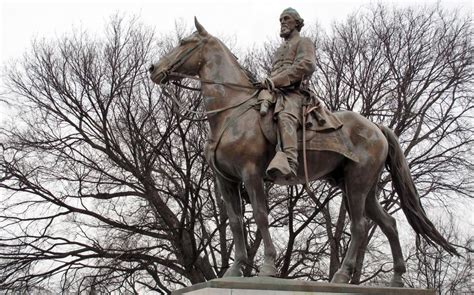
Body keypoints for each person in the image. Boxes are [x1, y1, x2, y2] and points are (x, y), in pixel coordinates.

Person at [258, 7, 316, 178]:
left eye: (286, 18)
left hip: (294, 94)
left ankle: (290, 162)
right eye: (281, 20)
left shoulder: (304, 41)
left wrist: (275, 81)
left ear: (297, 23)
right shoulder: (279, 49)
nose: (282, 22)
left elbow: (307, 65)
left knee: (285, 116)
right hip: (274, 91)